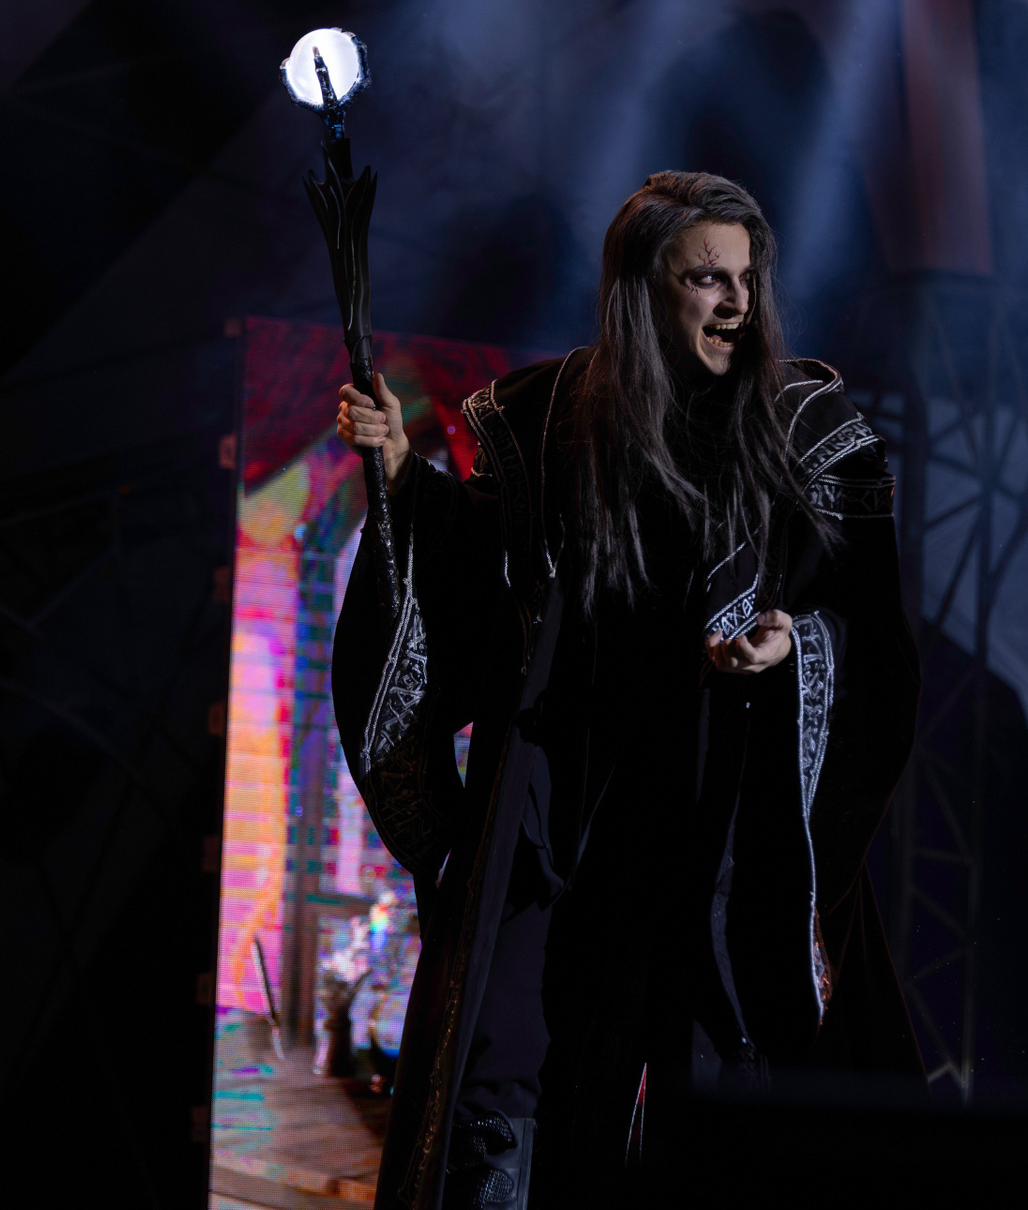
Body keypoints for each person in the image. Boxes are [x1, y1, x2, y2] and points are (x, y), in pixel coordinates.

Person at [331, 171, 923, 1209]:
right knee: (506, 1063)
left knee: (718, 1067)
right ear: (643, 289)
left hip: (723, 817)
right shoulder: (553, 418)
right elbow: (480, 569)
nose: (738, 303)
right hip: (571, 813)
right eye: (708, 278)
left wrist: (792, 650)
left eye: (748, 277)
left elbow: (866, 620)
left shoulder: (807, 428)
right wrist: (403, 477)